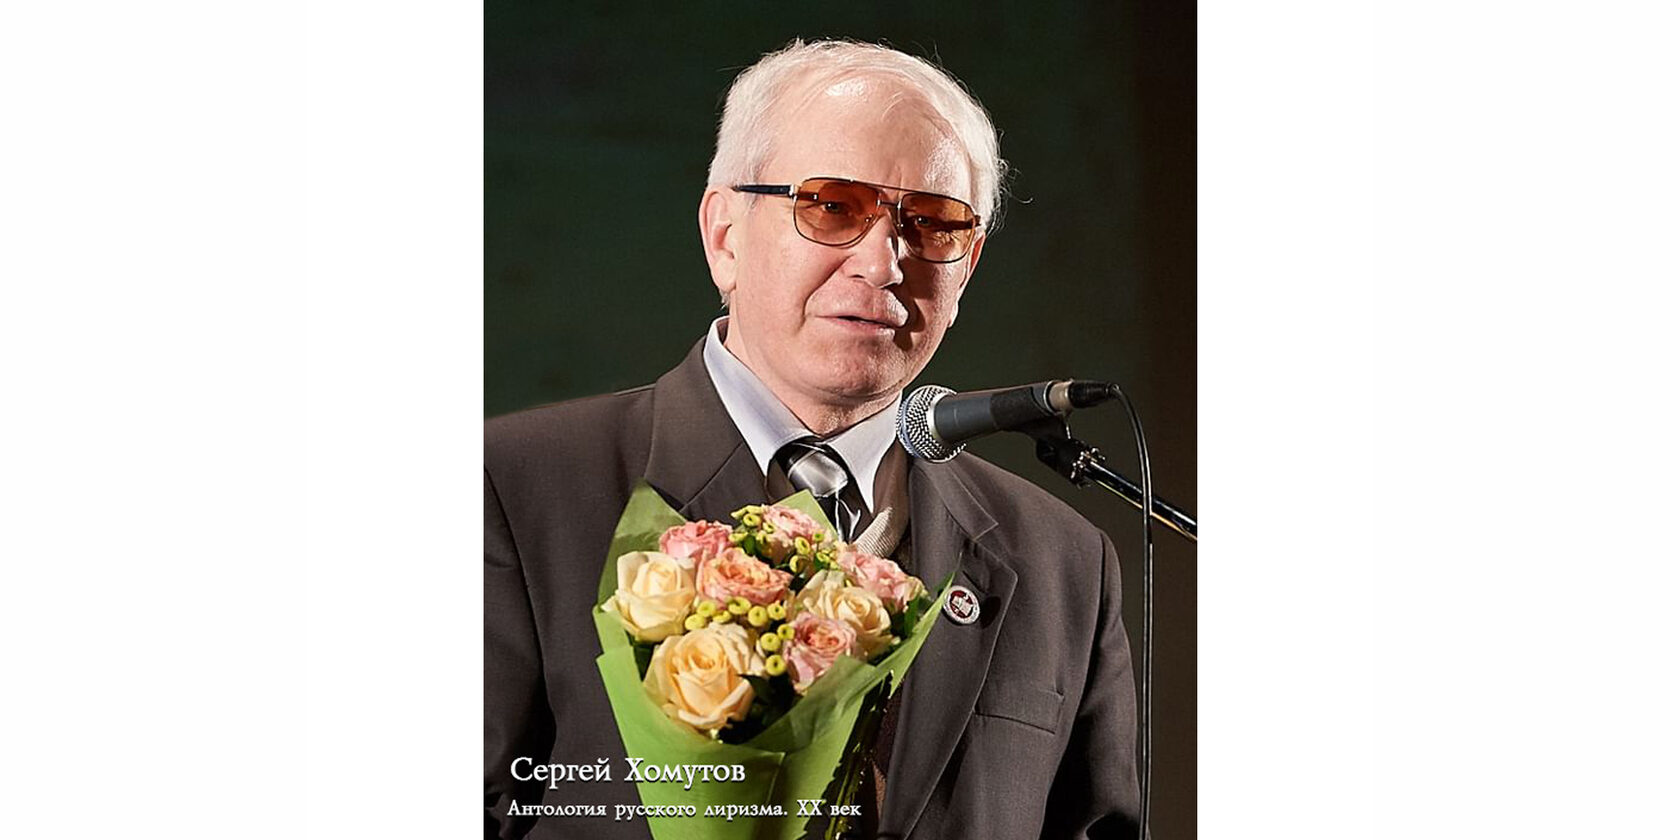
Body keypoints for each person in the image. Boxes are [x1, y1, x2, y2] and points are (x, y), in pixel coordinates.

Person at [485, 39, 1142, 839]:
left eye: (932, 223)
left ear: (966, 266)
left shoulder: (1061, 562)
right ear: (725, 236)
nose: (884, 263)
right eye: (833, 207)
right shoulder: (512, 491)